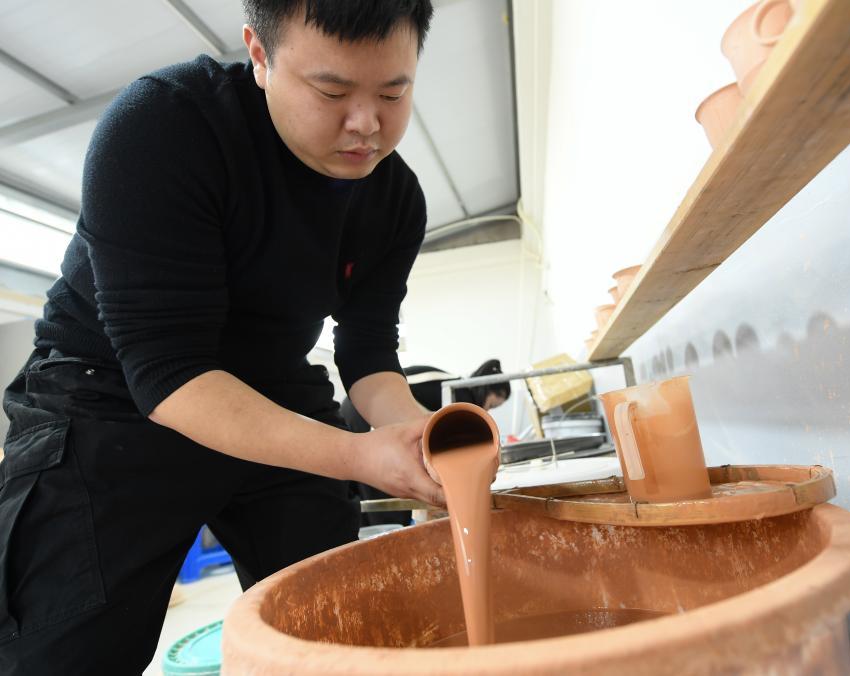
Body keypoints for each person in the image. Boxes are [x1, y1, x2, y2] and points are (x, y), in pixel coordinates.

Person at [0, 1, 442, 673]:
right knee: (62, 652)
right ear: (260, 56)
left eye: (392, 93)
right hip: (109, 393)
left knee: (344, 627)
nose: (366, 124)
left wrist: (418, 434)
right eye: (332, 92)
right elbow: (167, 373)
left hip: (274, 385)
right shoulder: (165, 126)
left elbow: (368, 351)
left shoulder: (395, 198)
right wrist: (357, 456)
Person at [342, 358, 511, 525]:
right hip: (365, 409)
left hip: (359, 401)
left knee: (363, 495)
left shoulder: (456, 386)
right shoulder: (461, 396)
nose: (488, 410)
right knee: (386, 497)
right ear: (489, 391)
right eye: (492, 406)